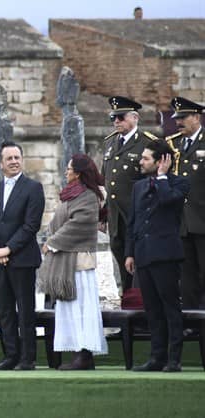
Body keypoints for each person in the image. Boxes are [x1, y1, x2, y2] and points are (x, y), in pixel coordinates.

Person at [38, 154, 108, 370]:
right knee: (70, 308)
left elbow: (80, 223)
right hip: (67, 261)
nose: (66, 172)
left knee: (81, 308)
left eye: (69, 169)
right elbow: (60, 219)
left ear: (78, 173)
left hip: (78, 263)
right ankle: (78, 351)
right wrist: (50, 234)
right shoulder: (72, 195)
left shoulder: (88, 195)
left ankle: (84, 353)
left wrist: (53, 242)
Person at [0, 141, 45, 371]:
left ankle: (27, 358)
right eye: (9, 158)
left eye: (17, 157)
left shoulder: (33, 188)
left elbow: (31, 226)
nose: (14, 161)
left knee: (25, 310)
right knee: (5, 310)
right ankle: (10, 356)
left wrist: (7, 249)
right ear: (1, 163)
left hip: (22, 259)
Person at [126, 140, 189, 372]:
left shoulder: (178, 183)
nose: (140, 162)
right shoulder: (138, 187)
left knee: (170, 308)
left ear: (161, 161)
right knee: (152, 310)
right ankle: (156, 357)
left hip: (165, 256)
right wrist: (129, 253)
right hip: (143, 255)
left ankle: (174, 359)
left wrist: (162, 177)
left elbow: (168, 201)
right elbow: (132, 222)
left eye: (145, 158)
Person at [100, 96, 156, 293]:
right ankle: (128, 303)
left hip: (138, 215)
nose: (116, 122)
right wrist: (103, 213)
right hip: (116, 216)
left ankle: (141, 306)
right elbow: (106, 182)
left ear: (134, 118)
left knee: (140, 264)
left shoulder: (147, 143)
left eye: (121, 117)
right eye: (113, 118)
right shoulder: (110, 143)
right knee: (120, 258)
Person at [168, 97, 205, 311]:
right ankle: (192, 320)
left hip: (203, 220)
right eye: (177, 118)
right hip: (183, 223)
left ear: (196, 117)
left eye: (183, 117)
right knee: (188, 275)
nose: (178, 122)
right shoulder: (176, 145)